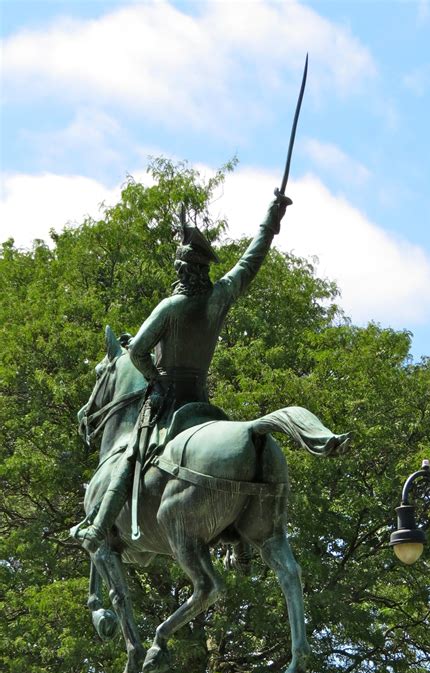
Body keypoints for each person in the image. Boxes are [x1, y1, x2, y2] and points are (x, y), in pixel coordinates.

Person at [72, 190, 292, 552]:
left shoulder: (171, 306)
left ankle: (98, 527)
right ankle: (240, 541)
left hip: (165, 402)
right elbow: (251, 261)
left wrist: (153, 378)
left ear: (182, 270)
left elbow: (139, 351)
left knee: (130, 456)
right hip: (200, 403)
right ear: (204, 269)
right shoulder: (220, 296)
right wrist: (271, 222)